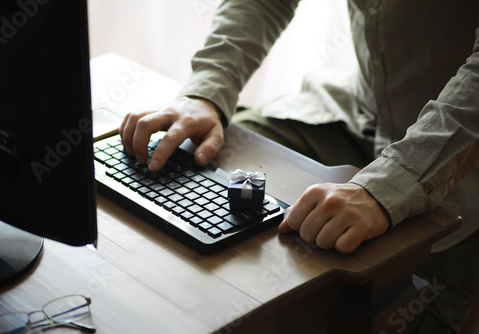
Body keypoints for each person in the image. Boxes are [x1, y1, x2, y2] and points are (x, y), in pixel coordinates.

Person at [119, 0, 479, 332]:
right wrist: (205, 92)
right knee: (210, 159)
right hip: (356, 112)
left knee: (400, 303)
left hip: (462, 169)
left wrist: (393, 184)